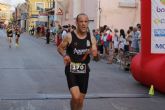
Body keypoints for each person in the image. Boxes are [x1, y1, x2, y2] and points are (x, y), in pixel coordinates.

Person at [57, 13, 98, 110]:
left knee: (80, 100)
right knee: (76, 96)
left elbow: (96, 57)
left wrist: (95, 54)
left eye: (86, 21)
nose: (84, 24)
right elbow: (60, 48)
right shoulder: (69, 36)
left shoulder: (91, 38)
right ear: (77, 23)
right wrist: (65, 55)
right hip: (71, 69)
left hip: (84, 70)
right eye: (81, 21)